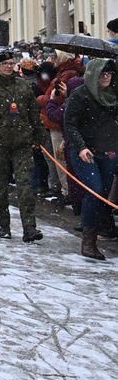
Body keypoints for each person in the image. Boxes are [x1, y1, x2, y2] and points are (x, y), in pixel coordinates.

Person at [0, 47, 46, 243]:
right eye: (4, 64)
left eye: (11, 63)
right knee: (0, 188)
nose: (8, 66)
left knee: (25, 186)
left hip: (22, 144)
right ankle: (4, 224)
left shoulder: (23, 87)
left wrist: (39, 137)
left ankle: (29, 227)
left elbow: (33, 114)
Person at [63, 58, 118, 260]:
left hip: (110, 151)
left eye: (110, 73)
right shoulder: (80, 95)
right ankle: (88, 240)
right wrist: (81, 147)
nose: (106, 77)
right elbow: (70, 124)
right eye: (103, 73)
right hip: (86, 152)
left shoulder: (113, 95)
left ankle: (99, 231)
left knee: (103, 195)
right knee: (95, 191)